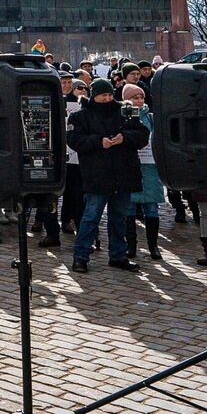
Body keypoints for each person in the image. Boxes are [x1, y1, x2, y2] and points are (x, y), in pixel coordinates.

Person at [67, 79, 150, 274]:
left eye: (109, 95)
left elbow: (142, 134)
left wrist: (125, 138)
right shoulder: (80, 116)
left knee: (119, 217)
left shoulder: (126, 110)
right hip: (97, 174)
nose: (107, 98)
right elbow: (73, 139)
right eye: (103, 95)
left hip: (123, 173)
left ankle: (118, 255)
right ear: (93, 96)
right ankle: (80, 256)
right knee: (91, 217)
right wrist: (98, 142)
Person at [121, 84, 163, 261]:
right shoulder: (122, 116)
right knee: (129, 208)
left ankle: (153, 246)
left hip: (150, 168)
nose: (139, 101)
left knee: (151, 208)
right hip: (130, 167)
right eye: (134, 98)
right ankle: (131, 245)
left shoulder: (152, 118)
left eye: (141, 97)